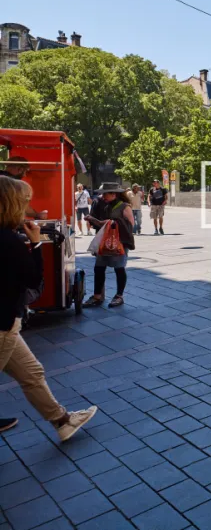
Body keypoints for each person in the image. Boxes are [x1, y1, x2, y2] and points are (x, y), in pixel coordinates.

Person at [0, 176, 99, 440]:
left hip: (7, 323)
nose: (26, 207)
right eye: (23, 202)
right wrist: (36, 244)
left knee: (32, 373)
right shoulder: (7, 241)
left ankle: (62, 421)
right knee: (32, 374)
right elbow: (34, 279)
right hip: (3, 323)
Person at [83, 183, 135, 308]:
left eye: (105, 193)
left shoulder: (124, 206)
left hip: (119, 243)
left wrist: (111, 223)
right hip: (105, 242)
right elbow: (102, 224)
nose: (103, 195)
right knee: (99, 268)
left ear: (114, 194)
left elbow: (130, 225)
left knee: (119, 268)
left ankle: (119, 296)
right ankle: (97, 296)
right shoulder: (104, 205)